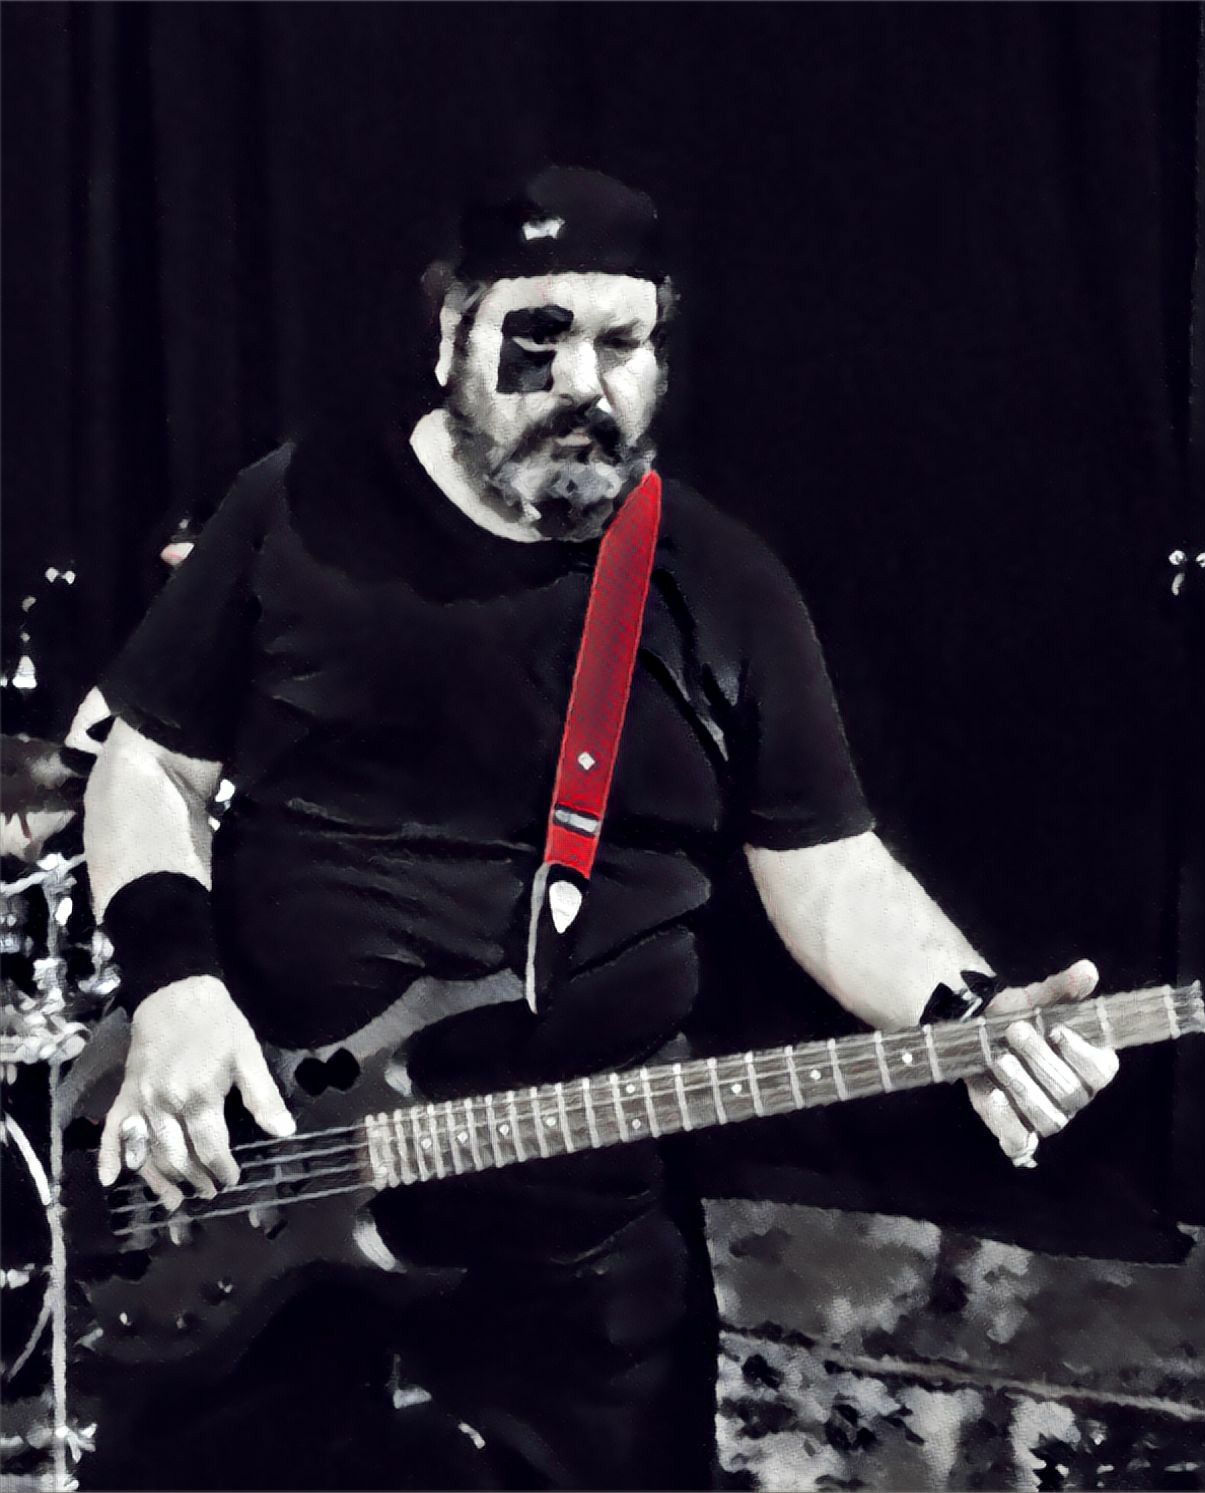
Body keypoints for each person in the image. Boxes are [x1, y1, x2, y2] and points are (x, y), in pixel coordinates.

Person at [79, 167, 1120, 1491]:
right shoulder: (296, 510)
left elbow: (828, 867)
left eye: (622, 344)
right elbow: (147, 763)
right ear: (451, 332)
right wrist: (172, 986)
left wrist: (965, 1011)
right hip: (270, 1189)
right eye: (539, 336)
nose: (585, 382)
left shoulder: (722, 583)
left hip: (578, 1257)